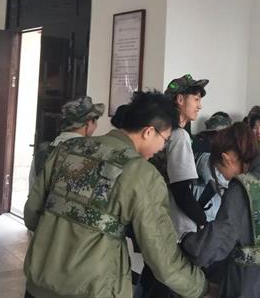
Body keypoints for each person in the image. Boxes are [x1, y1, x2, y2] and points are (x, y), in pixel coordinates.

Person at [23, 90, 208, 298]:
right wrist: (200, 287)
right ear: (149, 132)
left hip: (39, 283)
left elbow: (31, 215)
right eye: (165, 140)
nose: (161, 148)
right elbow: (162, 258)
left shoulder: (66, 150)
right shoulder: (142, 174)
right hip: (93, 290)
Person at [181, 122, 260, 298]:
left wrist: (187, 241)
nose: (223, 177)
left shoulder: (243, 189)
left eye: (220, 170)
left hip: (255, 286)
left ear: (227, 159)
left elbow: (208, 250)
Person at [139, 74, 209, 297]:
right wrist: (203, 221)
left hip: (155, 220)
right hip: (176, 227)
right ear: (180, 99)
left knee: (151, 280)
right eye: (196, 99)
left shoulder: (161, 134)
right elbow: (181, 191)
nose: (199, 105)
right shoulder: (179, 137)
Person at [29, 96, 104, 189]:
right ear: (88, 123)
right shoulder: (92, 154)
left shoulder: (42, 153)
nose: (96, 126)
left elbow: (33, 189)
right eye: (95, 121)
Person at [192, 112, 233, 222]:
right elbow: (216, 184)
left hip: (214, 212)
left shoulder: (218, 156)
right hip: (208, 213)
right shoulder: (206, 157)